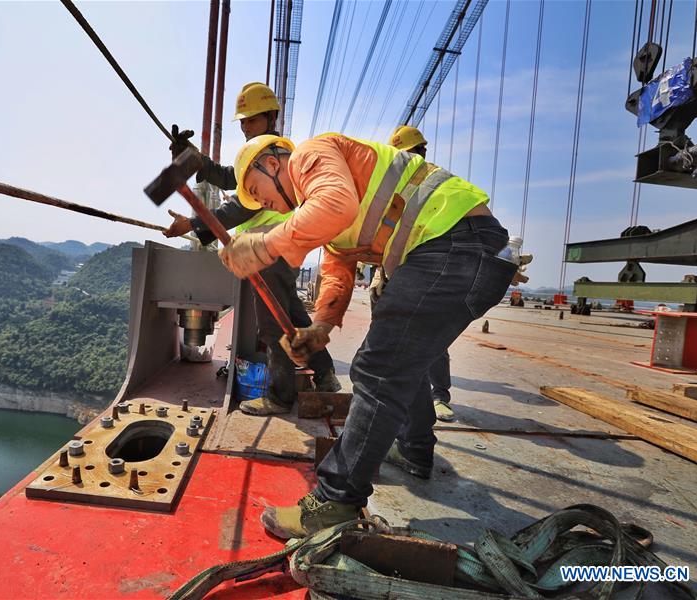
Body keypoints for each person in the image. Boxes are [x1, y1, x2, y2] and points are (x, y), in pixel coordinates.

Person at [217, 132, 517, 538]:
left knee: (377, 370)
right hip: (466, 250)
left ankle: (335, 501)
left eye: (257, 191)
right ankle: (413, 450)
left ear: (272, 163)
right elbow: (337, 275)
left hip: (454, 243)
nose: (262, 204)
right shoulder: (325, 215)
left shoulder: (310, 156)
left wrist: (265, 244)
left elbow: (335, 204)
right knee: (403, 359)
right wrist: (319, 329)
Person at [163, 82, 341, 416]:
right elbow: (227, 176)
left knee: (273, 326)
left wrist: (194, 224)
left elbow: (242, 207)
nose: (246, 127)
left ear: (272, 117)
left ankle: (280, 397)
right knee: (294, 316)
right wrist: (192, 159)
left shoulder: (269, 159)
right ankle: (326, 373)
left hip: (269, 249)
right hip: (276, 249)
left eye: (253, 119)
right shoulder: (262, 154)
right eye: (243, 121)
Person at [388, 126, 455, 423]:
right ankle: (407, 397)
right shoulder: (397, 188)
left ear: (421, 152)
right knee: (397, 337)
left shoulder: (438, 182)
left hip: (433, 266)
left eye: (411, 154)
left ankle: (439, 396)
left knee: (433, 337)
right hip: (403, 269)